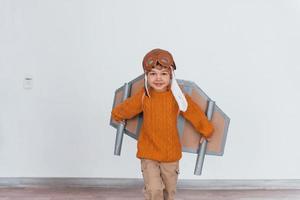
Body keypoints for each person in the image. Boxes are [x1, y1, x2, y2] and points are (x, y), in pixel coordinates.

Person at [111, 48, 214, 200]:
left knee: (169, 193)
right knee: (154, 190)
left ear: (171, 76)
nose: (158, 78)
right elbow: (127, 108)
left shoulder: (177, 97)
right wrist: (117, 115)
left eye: (163, 74)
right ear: (146, 76)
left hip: (171, 154)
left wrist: (207, 131)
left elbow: (194, 113)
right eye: (153, 74)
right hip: (148, 152)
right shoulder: (144, 96)